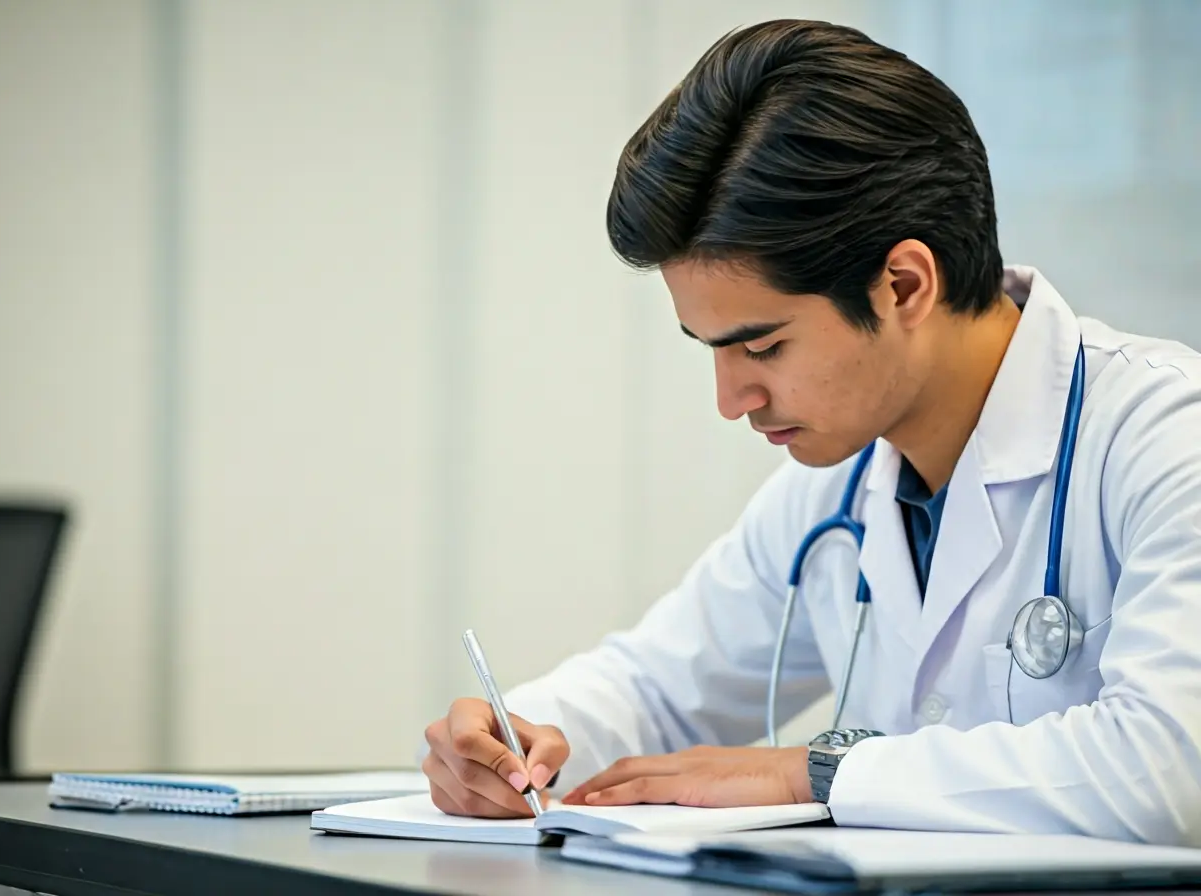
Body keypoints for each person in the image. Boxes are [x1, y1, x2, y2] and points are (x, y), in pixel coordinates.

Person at [419, 18, 1201, 846]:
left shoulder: (1162, 437)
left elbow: (1172, 771)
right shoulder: (835, 486)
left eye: (763, 345)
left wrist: (817, 770)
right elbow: (656, 685)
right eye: (711, 351)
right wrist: (515, 739)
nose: (732, 398)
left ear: (903, 284)